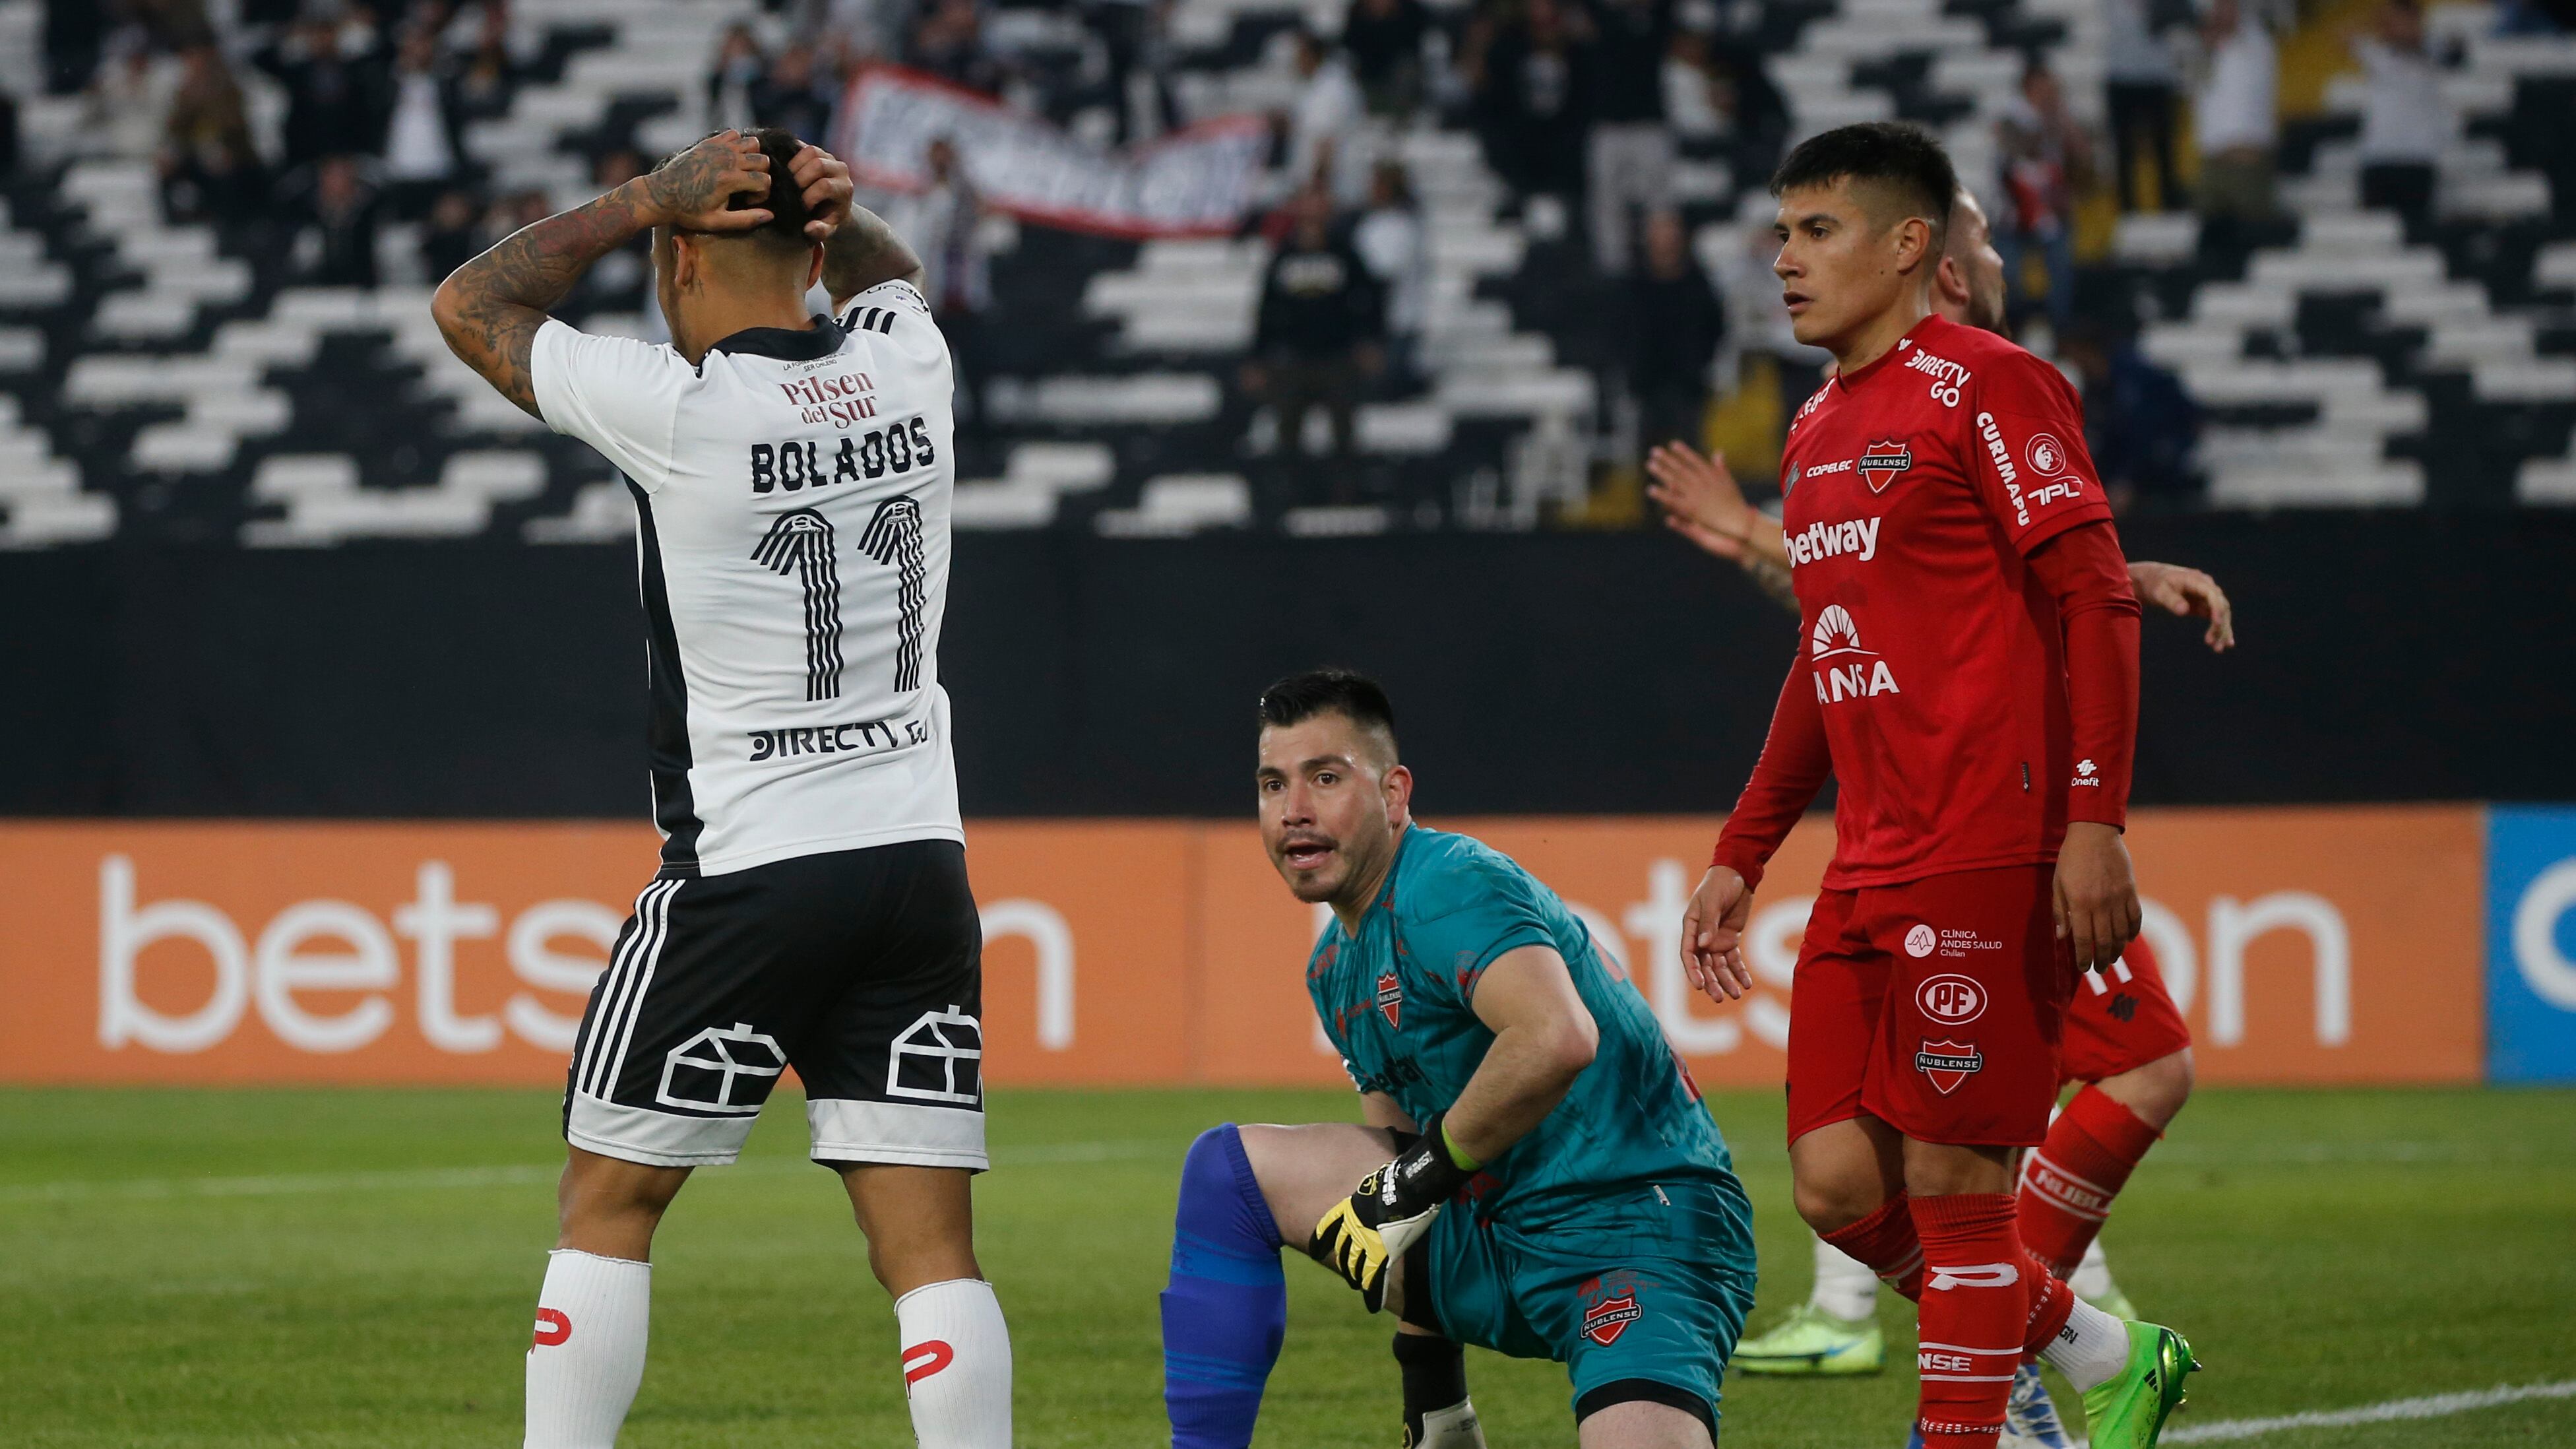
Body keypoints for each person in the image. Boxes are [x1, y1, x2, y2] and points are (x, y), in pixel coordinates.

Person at [431, 127, 1013, 1449]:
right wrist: (836, 213)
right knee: (927, 1252)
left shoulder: (680, 407)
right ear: (816, 252)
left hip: (751, 867)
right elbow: (894, 273)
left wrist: (640, 193)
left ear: (678, 257)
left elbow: (469, 302)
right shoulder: (911, 367)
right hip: (920, 862)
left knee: (606, 1208)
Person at [1645, 186, 2220, 1449]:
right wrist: (1744, 851)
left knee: (1977, 1175)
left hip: (1995, 838)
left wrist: (2093, 816)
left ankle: (1992, 1412)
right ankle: (2098, 1347)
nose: (1784, 260)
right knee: (1838, 1185)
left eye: (1811, 233)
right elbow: (1852, 625)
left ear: (1913, 255)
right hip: (1877, 851)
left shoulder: (1996, 385)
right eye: (1782, 236)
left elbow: (2057, 584)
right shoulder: (1817, 424)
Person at [1158, 670, 1757, 1449]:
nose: (1293, 810)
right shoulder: (1332, 969)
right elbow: (1402, 1174)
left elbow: (1555, 1038)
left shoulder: (1448, 882)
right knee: (1224, 1173)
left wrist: (1412, 1180)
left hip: (1638, 1232)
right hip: (1495, 1237)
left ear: (1394, 794)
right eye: (1273, 785)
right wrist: (1432, 1399)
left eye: (1326, 778)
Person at [1243, 184, 1385, 464]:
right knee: (1288, 429)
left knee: (1343, 429)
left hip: (1337, 355)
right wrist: (1257, 358)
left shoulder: (1345, 253)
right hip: (1294, 357)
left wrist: (1370, 340)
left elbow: (1369, 299)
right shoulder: (1284, 256)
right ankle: (1290, 491)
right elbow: (1267, 309)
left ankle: (1344, 493)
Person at [1994, 59, 2092, 338]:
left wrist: (2063, 122)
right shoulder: (2012, 118)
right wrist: (2052, 122)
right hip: (2015, 212)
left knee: (2061, 270)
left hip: (2051, 212)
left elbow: (2083, 156)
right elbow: (2023, 150)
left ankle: (2060, 329)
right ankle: (2015, 327)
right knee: (2009, 275)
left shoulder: (2058, 119)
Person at [1583, 0, 1676, 276]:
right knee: (1605, 200)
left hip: (1650, 123)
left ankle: (1665, 264)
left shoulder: (1655, 14)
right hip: (1607, 123)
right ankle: (1614, 269)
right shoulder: (1601, 15)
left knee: (1659, 199)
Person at [1628, 208, 1725, 455]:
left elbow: (1715, 325)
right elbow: (1622, 329)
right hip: (1648, 383)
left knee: (1689, 452)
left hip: (1688, 383)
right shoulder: (1634, 284)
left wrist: (1700, 361)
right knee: (1651, 455)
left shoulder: (1697, 282)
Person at [2348, 0, 2449, 233]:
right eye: (2391, 22)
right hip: (2378, 158)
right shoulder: (2377, 53)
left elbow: (2457, 55)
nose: (2396, 28)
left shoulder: (2433, 52)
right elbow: (2345, 36)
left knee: (2417, 237)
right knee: (2376, 238)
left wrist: (2416, 40)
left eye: (2402, 22)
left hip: (2417, 159)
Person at [2191, 0, 2277, 236]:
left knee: (2254, 235)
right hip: (2213, 162)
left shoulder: (2257, 42)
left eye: (2227, 7)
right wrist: (2208, 44)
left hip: (2248, 160)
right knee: (2212, 240)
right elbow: (2194, 86)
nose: (2220, 14)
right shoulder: (2206, 50)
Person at [2101, 0, 2183, 211]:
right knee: (2123, 145)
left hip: (2157, 74)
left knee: (2163, 142)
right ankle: (2127, 204)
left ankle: (2169, 198)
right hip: (2121, 73)